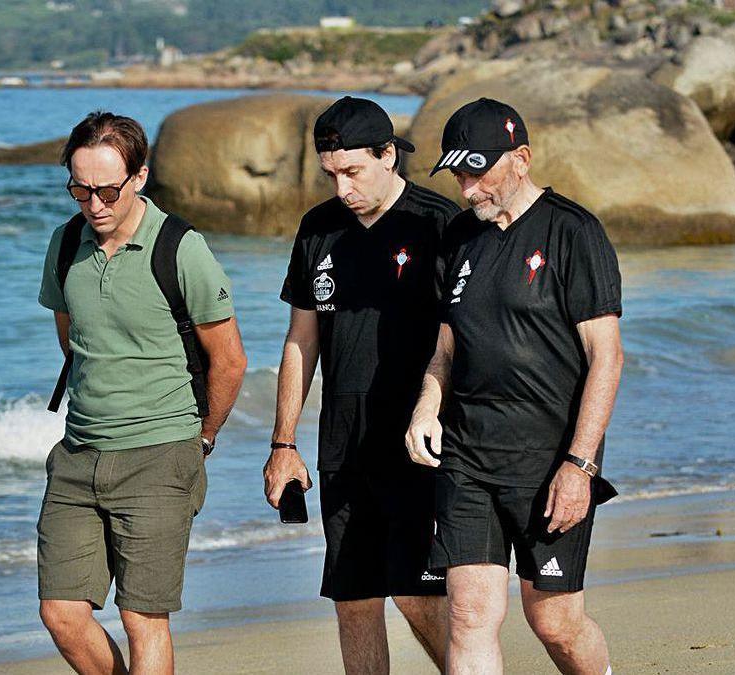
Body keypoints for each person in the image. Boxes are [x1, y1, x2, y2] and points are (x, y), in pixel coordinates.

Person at [406, 98, 623, 675]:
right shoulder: (459, 239)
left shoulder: (573, 232)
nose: (467, 186)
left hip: (550, 457)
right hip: (469, 455)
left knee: (554, 621)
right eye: (458, 172)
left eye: (478, 170)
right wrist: (427, 408)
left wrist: (580, 465)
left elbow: (606, 355)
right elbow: (446, 347)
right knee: (470, 614)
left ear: (520, 159)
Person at [36, 111, 247, 675]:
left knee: (142, 617)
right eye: (80, 188)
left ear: (140, 177)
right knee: (61, 613)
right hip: (78, 455)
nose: (94, 202)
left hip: (161, 456)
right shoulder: (64, 245)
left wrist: (199, 441)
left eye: (107, 188)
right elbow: (74, 343)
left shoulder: (181, 248)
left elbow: (229, 360)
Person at [264, 96, 460, 674]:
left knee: (417, 594)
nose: (342, 188)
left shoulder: (438, 224)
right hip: (342, 448)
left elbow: (466, 340)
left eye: (353, 172)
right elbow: (301, 339)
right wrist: (283, 444)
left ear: (389, 155)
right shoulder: (317, 228)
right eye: (331, 174)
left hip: (418, 446)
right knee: (353, 600)